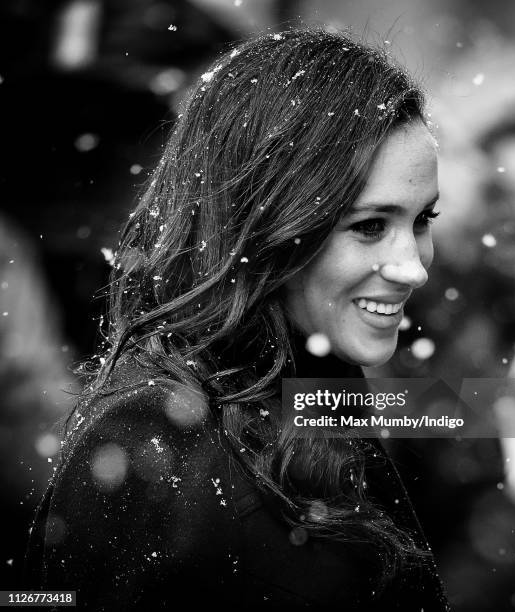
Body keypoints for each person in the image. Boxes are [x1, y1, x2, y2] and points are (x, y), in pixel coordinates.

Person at [25, 27, 449, 610]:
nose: (413, 267)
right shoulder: (153, 429)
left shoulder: (298, 376)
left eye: (423, 219)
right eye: (370, 226)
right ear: (269, 223)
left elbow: (430, 412)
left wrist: (508, 401)